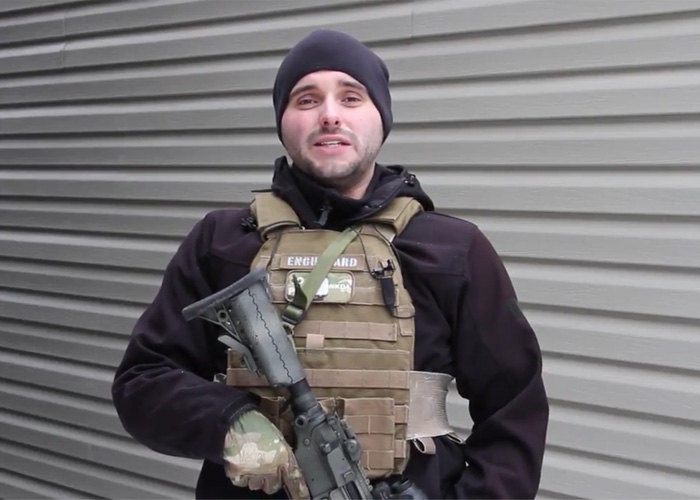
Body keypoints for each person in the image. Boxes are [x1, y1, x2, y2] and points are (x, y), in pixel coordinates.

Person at [112, 29, 549, 500]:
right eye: (306, 99)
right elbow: (143, 381)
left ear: (381, 118)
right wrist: (229, 423)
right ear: (282, 122)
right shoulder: (222, 242)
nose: (330, 115)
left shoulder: (451, 250)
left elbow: (514, 410)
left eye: (351, 97)